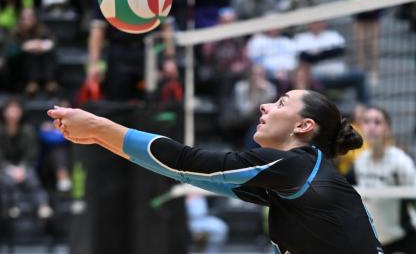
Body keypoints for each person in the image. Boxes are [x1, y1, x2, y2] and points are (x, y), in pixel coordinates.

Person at [47, 89, 383, 254]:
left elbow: (188, 161)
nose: (265, 106)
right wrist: (98, 137)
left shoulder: (296, 166)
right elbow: (186, 173)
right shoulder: (296, 178)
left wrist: (97, 125)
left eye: (281, 103)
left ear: (304, 125)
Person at [354, 106, 416, 253]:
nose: (371, 127)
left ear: (387, 128)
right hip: (376, 240)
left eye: (377, 122)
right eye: (367, 122)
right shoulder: (360, 162)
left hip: (403, 239)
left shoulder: (400, 161)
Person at [0, 98, 52, 219]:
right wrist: (9, 169)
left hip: (24, 165)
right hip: (4, 166)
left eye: (16, 110)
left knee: (31, 177)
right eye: (10, 110)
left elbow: (31, 154)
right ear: (4, 112)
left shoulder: (28, 130)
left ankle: (43, 205)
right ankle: (12, 206)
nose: (13, 113)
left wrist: (22, 168)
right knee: (6, 180)